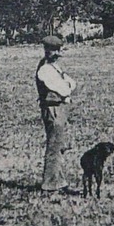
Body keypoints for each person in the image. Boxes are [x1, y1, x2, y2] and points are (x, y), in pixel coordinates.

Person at [35, 34, 78, 192]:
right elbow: (64, 88)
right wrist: (66, 86)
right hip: (52, 108)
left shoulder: (54, 67)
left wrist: (66, 85)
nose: (58, 54)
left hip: (59, 107)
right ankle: (50, 184)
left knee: (59, 145)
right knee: (54, 146)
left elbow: (72, 83)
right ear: (48, 51)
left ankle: (58, 181)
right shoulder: (45, 69)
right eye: (55, 51)